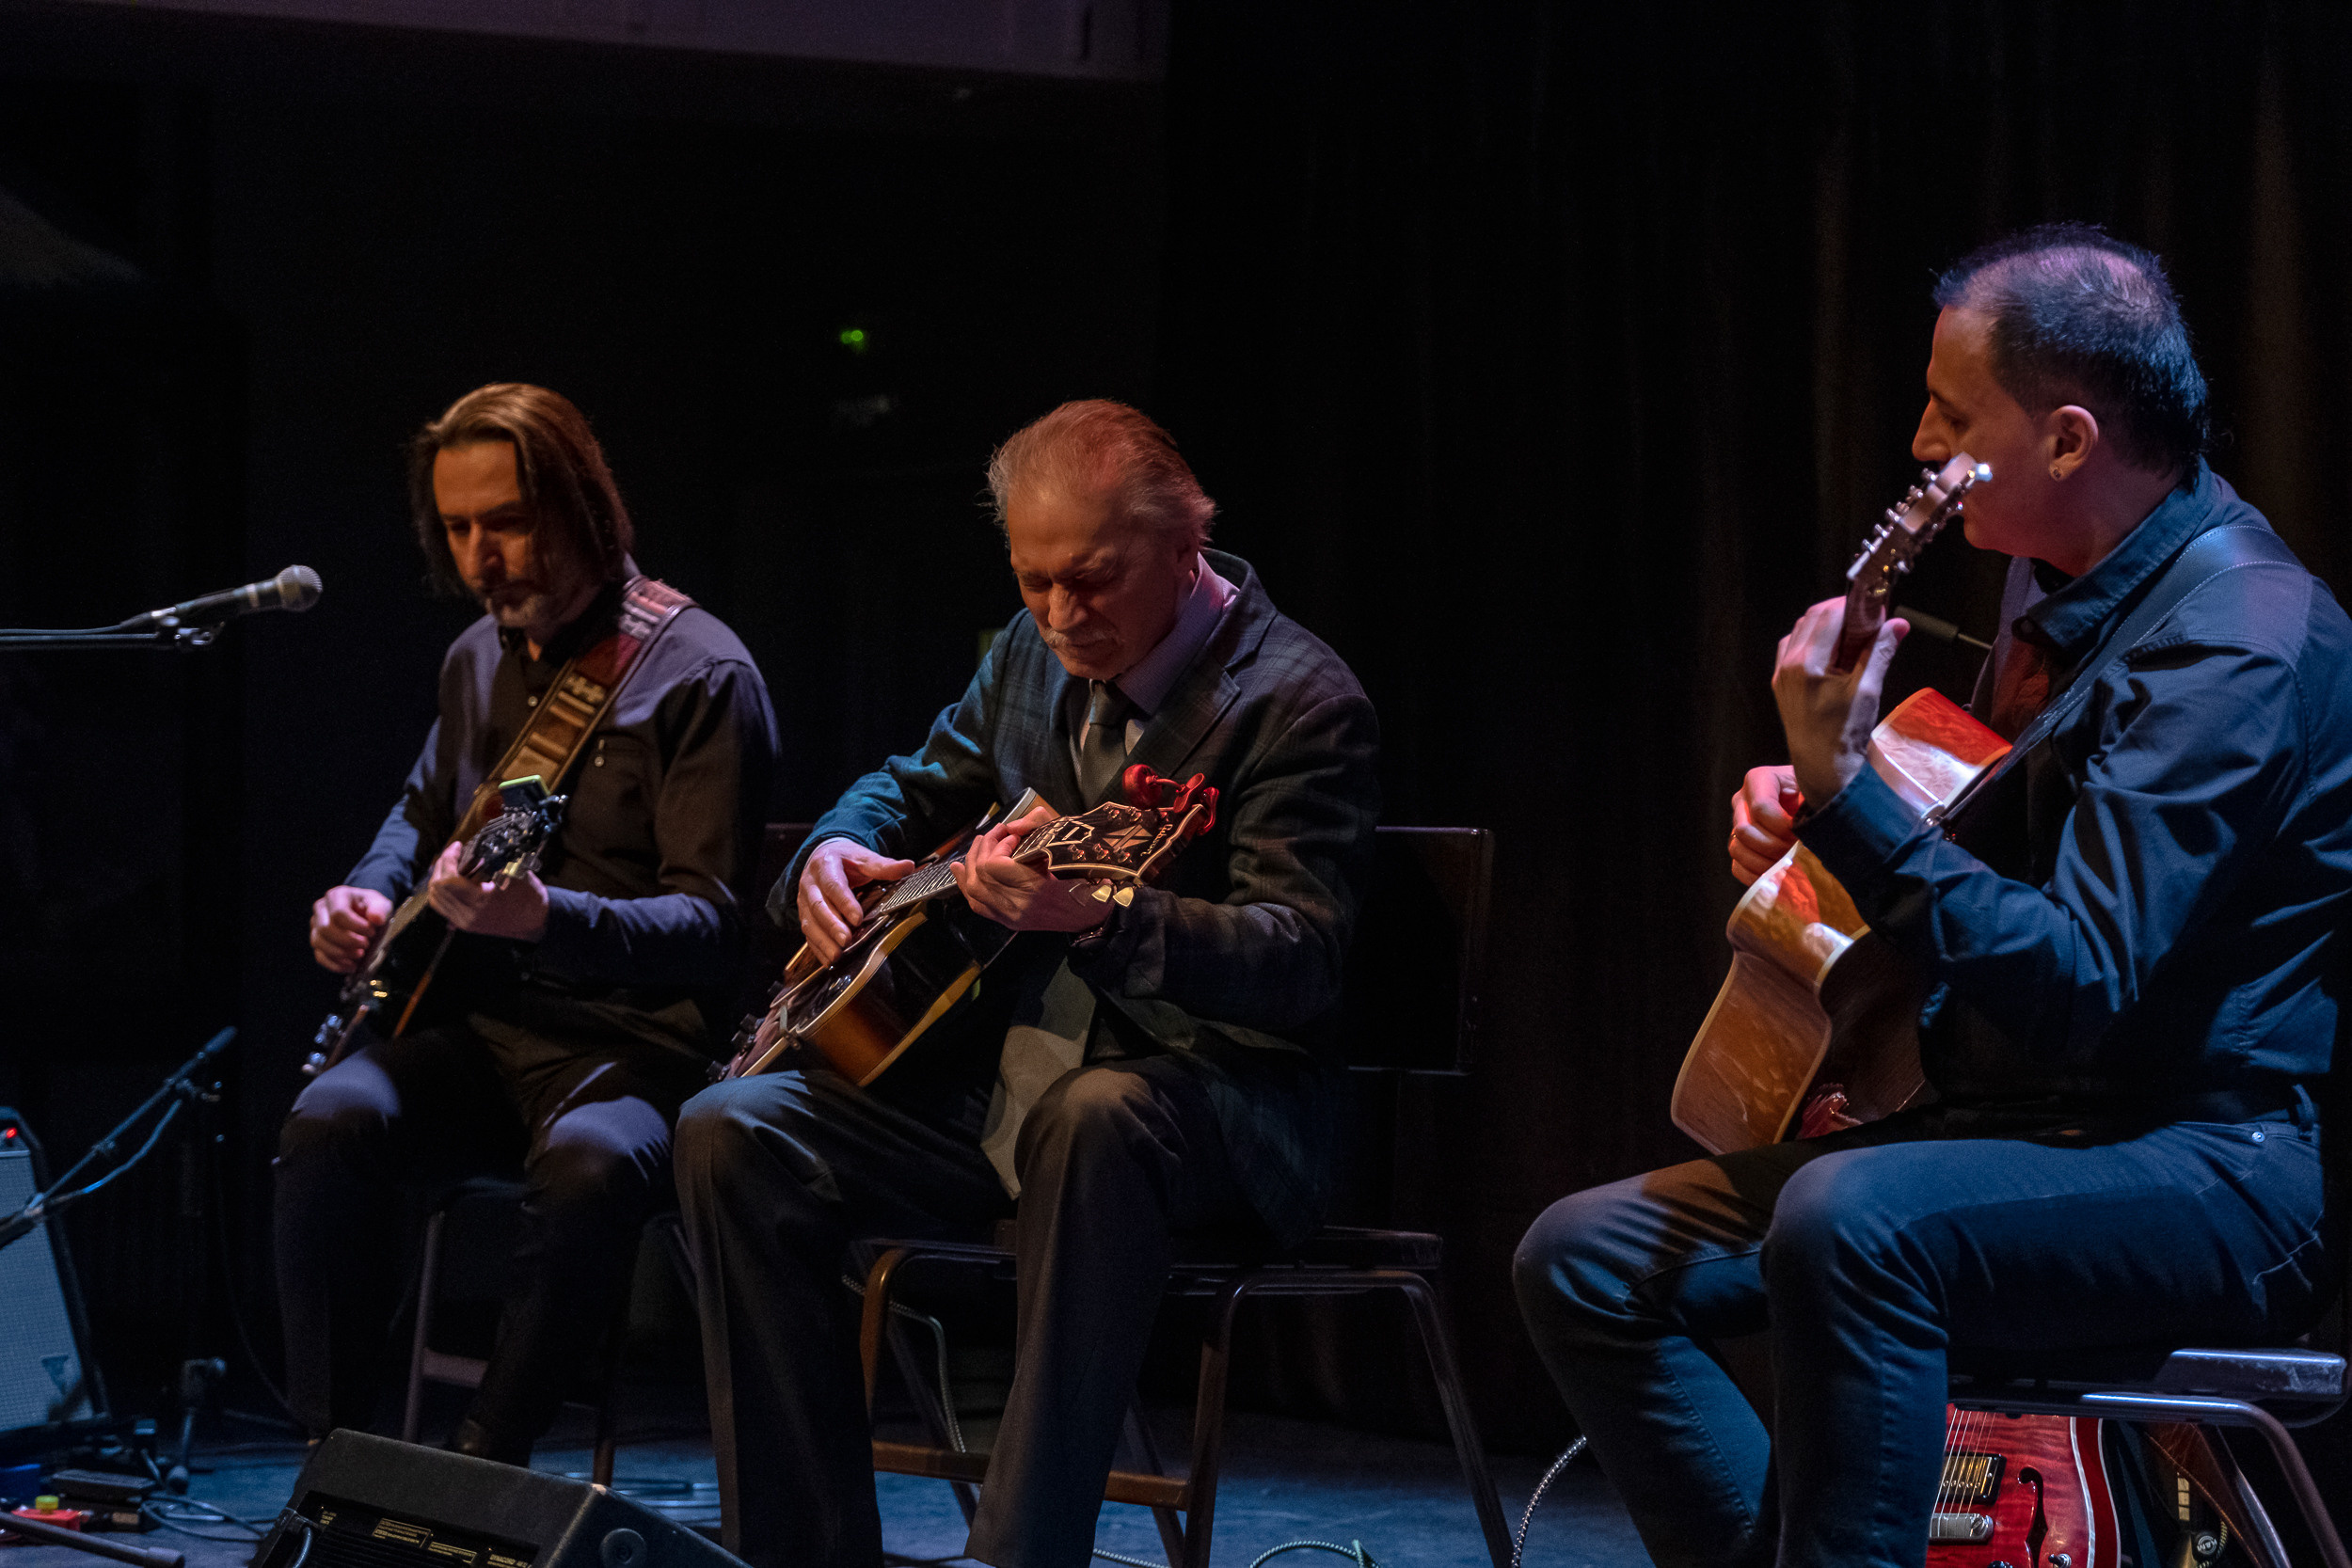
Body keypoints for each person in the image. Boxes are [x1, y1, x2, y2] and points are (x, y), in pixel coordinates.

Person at [1515, 225, 2352, 1567]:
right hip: (2021, 1123)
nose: (1918, 439)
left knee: (1853, 1221)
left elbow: (2080, 980)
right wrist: (1823, 822)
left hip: (2211, 1158)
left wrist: (1851, 799)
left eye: (1953, 413)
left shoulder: (2236, 642)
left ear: (2070, 439)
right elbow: (1993, 846)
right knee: (1588, 1256)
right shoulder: (2061, 587)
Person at [675, 399, 1380, 1568]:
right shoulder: (1026, 653)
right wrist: (831, 850)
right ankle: (793, 1552)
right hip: (1004, 1092)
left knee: (1095, 1116)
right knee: (728, 1128)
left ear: (1184, 547)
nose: (1061, 612)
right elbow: (911, 781)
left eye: (1093, 580)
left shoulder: (1298, 701)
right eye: (1033, 577)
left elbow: (1298, 958)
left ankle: (1021, 1554)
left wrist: (1103, 917)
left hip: (1214, 1108)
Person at [276, 383, 779, 1465]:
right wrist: (364, 891)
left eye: (504, 522)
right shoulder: (474, 660)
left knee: (592, 1169)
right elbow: (417, 810)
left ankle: (482, 1468)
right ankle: (340, 1461)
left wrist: (548, 916)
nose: (478, 556)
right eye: (456, 528)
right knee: (328, 1123)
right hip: (489, 1033)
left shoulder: (702, 674)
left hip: (639, 1049)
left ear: (583, 509)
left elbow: (714, 926)